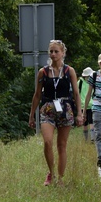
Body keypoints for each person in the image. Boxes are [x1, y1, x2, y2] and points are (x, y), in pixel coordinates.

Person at [29, 40, 83, 186]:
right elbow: (37, 95)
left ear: (62, 53)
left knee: (61, 145)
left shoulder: (69, 71)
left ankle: (60, 177)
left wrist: (79, 113)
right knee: (47, 141)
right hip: (47, 109)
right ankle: (51, 173)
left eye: (56, 51)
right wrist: (32, 115)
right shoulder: (43, 72)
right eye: (51, 51)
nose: (53, 54)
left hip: (65, 109)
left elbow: (76, 94)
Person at [78, 67, 94, 142]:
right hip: (91, 105)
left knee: (85, 122)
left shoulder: (79, 83)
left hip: (83, 105)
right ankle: (92, 138)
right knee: (91, 121)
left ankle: (86, 139)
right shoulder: (92, 82)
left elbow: (76, 93)